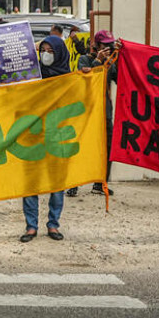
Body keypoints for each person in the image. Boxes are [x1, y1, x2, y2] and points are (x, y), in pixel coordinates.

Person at [20, 35, 70, 243]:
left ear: (59, 54)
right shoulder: (32, 74)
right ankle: (31, 226)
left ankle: (53, 224)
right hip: (32, 134)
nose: (46, 55)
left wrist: (89, 74)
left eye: (51, 51)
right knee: (31, 182)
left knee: (57, 183)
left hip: (57, 136)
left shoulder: (69, 78)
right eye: (43, 51)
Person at [67, 30, 117, 198]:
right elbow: (87, 80)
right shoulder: (85, 60)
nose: (108, 48)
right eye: (105, 45)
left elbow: (121, 78)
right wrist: (98, 61)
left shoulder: (111, 63)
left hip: (105, 110)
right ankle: (74, 183)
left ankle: (101, 182)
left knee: (107, 146)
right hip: (86, 110)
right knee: (81, 146)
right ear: (96, 45)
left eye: (110, 45)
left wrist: (121, 57)